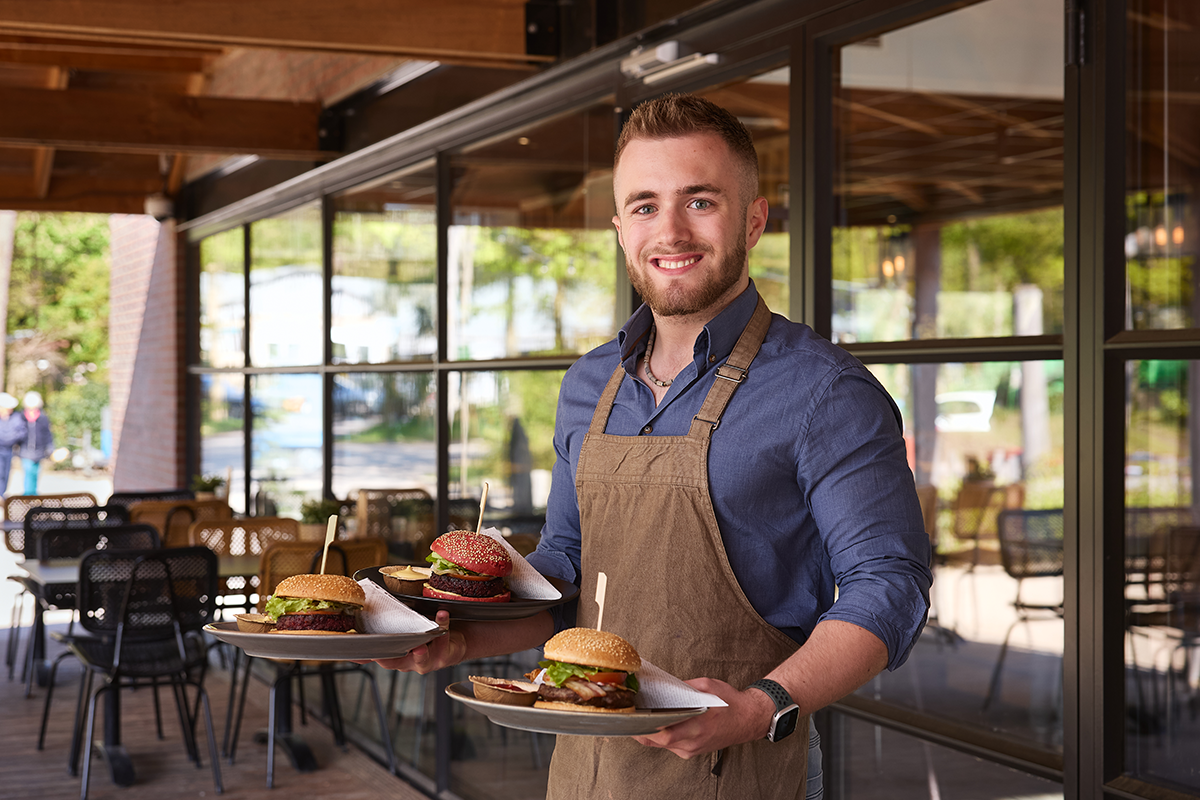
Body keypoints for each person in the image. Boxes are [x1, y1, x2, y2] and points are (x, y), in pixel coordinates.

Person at [376, 94, 932, 799]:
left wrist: (763, 705)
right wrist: (461, 639)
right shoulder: (588, 383)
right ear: (619, 227)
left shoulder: (825, 392)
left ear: (754, 218)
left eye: (700, 201)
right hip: (586, 770)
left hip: (740, 771)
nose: (669, 230)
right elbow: (567, 572)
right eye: (644, 205)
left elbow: (890, 584)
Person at [19, 391, 53, 496]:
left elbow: (47, 434)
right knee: (28, 471)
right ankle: (28, 494)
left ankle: (33, 493)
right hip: (25, 450)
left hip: (39, 450)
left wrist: (50, 448)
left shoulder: (43, 418)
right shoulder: (21, 417)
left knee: (35, 473)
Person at [0, 393, 26, 499]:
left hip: (9, 449)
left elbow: (21, 432)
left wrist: (9, 438)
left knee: (5, 474)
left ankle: (2, 494)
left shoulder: (15, 417)